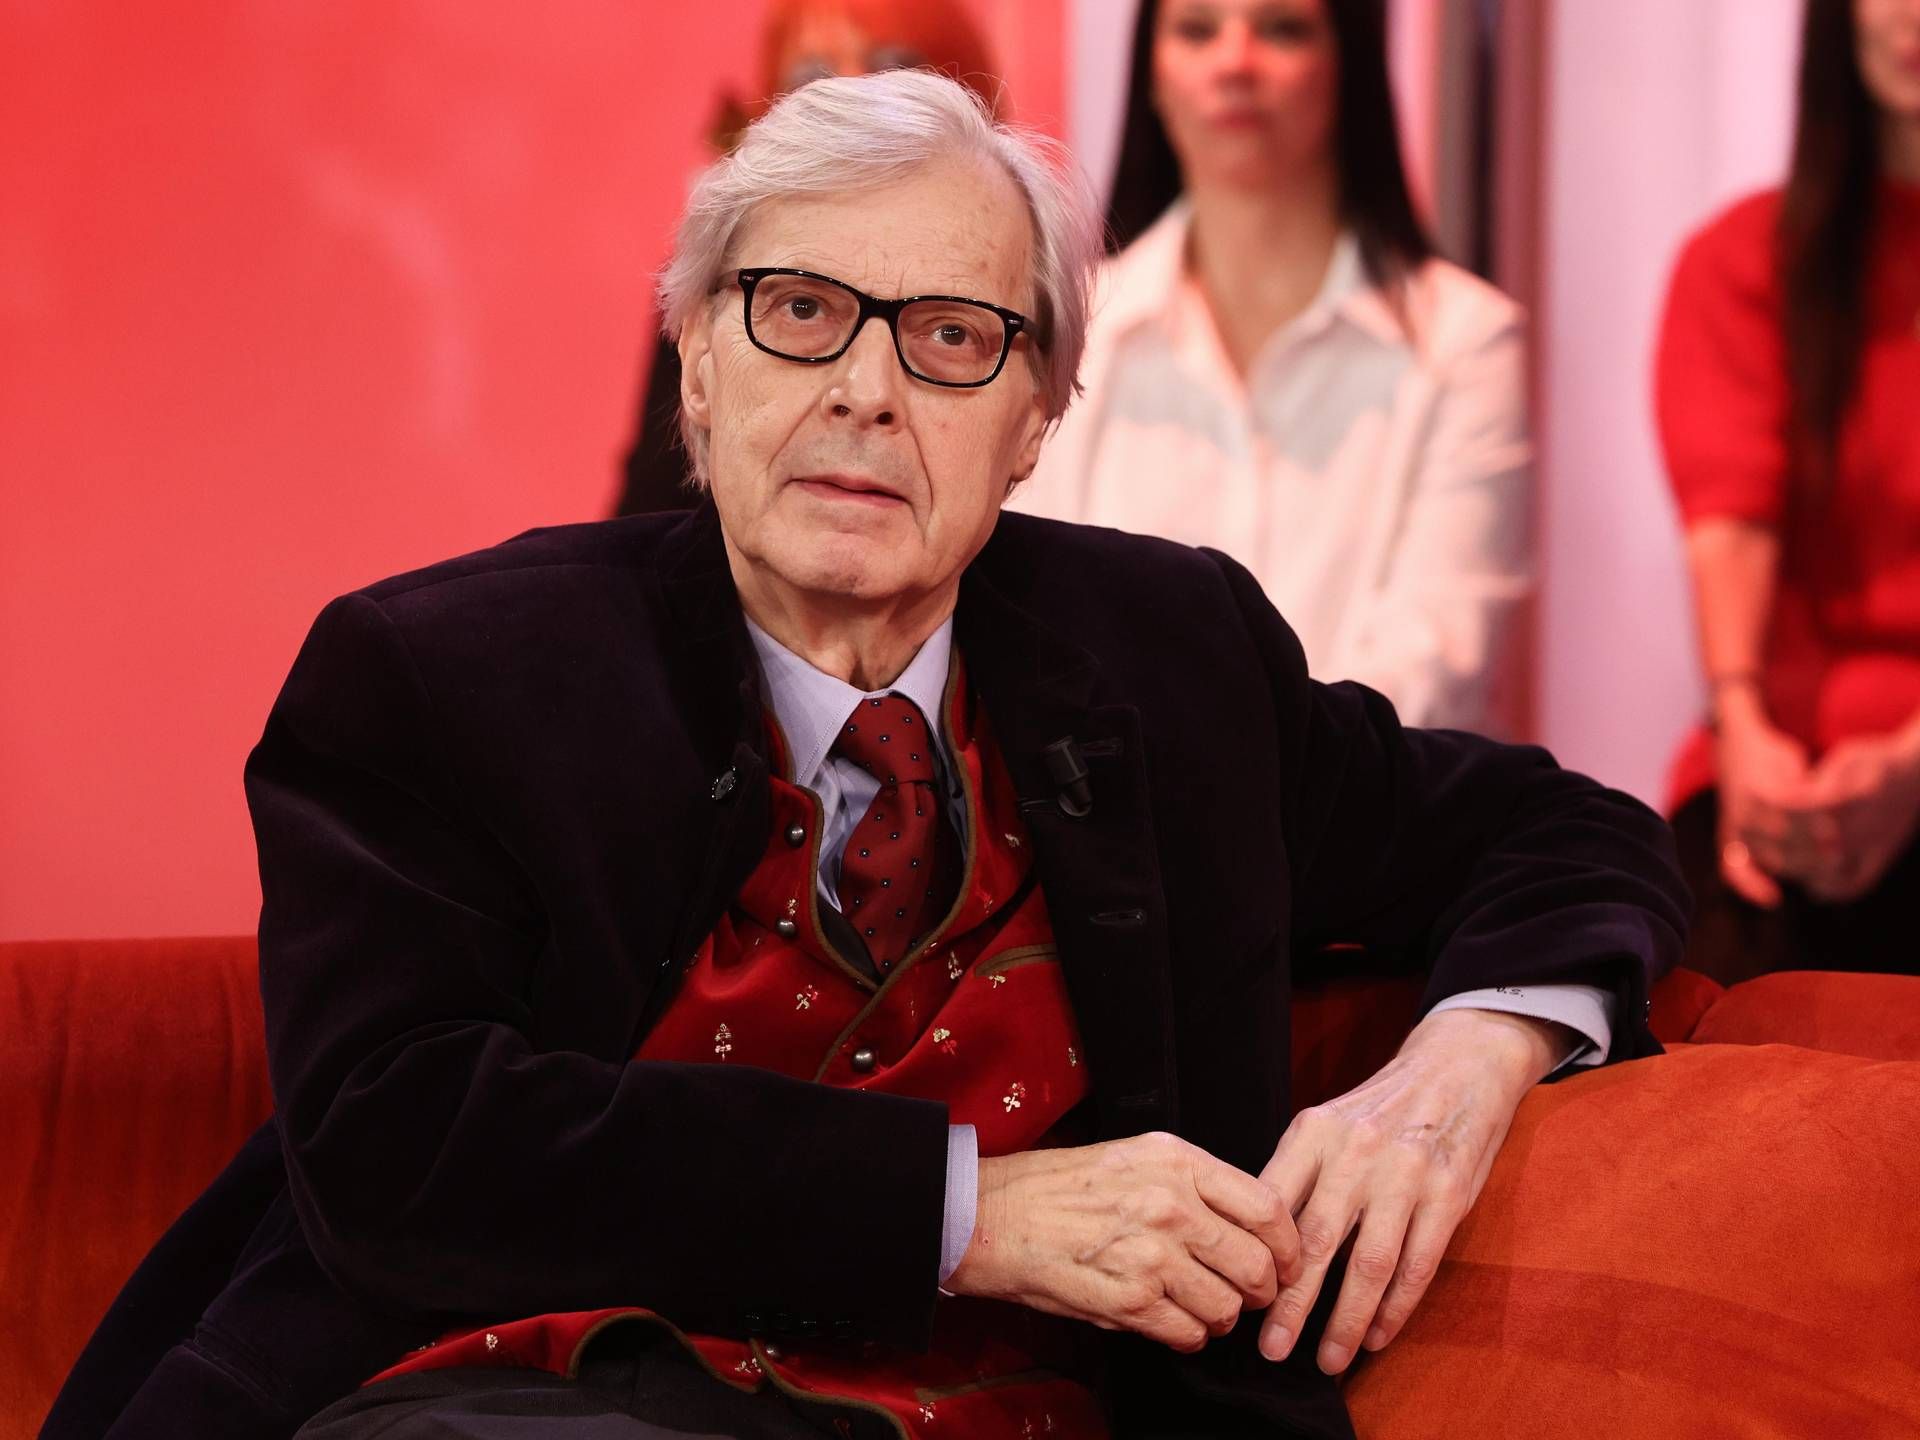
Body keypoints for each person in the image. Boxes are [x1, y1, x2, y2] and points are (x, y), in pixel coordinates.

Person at [49, 71, 1687, 1440]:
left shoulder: (1172, 662)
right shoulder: (443, 679)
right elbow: (400, 1142)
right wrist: (965, 1213)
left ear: (1036, 418)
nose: (866, 393)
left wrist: (1465, 1062)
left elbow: (1563, 831)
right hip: (518, 1398)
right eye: (802, 314)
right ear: (696, 365)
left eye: (952, 338)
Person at [1008, 0, 1534, 739]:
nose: (1235, 63)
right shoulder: (1072, 328)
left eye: (1282, 28)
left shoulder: (1465, 341)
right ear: (1152, 74)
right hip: (1114, 800)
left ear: (1349, 64)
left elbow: (1436, 663)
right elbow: (1037, 624)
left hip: (1374, 803)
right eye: (1198, 30)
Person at [1657, 0, 1920, 983]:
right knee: (1691, 1004)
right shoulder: (1742, 258)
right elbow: (1731, 519)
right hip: (1781, 763)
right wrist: (1744, 730)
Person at [616, 0, 1000, 519]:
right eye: (814, 80)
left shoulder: (1024, 285)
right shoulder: (719, 281)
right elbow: (651, 509)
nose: (852, 100)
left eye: (894, 71)